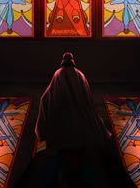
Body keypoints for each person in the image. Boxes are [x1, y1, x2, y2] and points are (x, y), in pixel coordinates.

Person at [32, 52, 112, 187]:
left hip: (61, 129)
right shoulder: (79, 75)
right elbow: (87, 96)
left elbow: (47, 96)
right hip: (80, 130)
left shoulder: (58, 74)